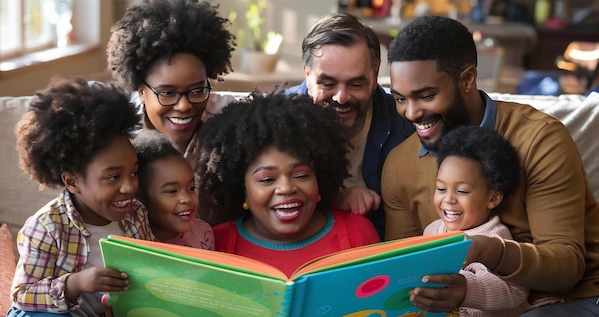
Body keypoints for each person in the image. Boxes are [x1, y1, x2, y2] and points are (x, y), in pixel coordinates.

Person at [382, 15, 599, 317]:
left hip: (576, 298)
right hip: (469, 312)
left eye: (425, 95)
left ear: (467, 78)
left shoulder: (539, 140)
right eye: (399, 98)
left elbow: (566, 269)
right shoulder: (400, 163)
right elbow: (403, 265)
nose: (411, 113)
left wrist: (486, 251)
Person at [3, 77, 156, 317]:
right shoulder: (46, 226)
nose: (129, 186)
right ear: (72, 181)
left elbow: (145, 277)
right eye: (113, 177)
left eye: (133, 172)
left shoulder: (137, 215)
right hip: (41, 312)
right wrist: (75, 283)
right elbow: (23, 295)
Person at [195, 93, 380, 277]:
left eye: (301, 175)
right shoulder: (214, 244)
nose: (286, 188)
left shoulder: (356, 234)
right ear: (243, 189)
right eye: (267, 179)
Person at [400, 126, 533, 317]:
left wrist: (467, 289)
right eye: (441, 188)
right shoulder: (432, 231)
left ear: (493, 198)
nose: (448, 200)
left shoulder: (496, 237)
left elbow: (515, 291)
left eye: (461, 191)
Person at [284, 13, 414, 238]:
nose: (341, 97)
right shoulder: (275, 122)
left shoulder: (406, 122)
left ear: (375, 76)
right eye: (328, 83)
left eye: (356, 83)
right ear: (306, 73)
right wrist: (331, 197)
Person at [107, 0, 236, 163]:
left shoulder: (229, 119)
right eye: (167, 93)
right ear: (141, 91)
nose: (184, 106)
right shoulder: (120, 133)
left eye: (197, 91)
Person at [132, 129, 214, 250]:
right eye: (172, 191)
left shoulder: (203, 234)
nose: (186, 199)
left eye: (191, 188)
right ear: (141, 198)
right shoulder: (133, 241)